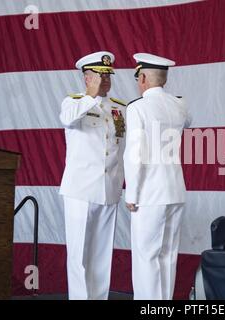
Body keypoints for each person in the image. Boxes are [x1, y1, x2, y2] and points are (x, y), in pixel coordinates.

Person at [59, 51, 127, 300]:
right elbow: (67, 119)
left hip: (108, 188)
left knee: (101, 255)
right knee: (79, 255)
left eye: (108, 75)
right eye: (100, 76)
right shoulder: (73, 103)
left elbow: (122, 148)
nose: (106, 80)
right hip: (80, 190)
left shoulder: (120, 108)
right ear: (87, 78)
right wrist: (90, 95)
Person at [124, 53, 191, 300]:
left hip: (149, 193)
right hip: (175, 190)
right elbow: (189, 121)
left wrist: (131, 192)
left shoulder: (138, 107)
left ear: (143, 77)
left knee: (146, 257)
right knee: (167, 256)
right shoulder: (179, 105)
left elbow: (135, 155)